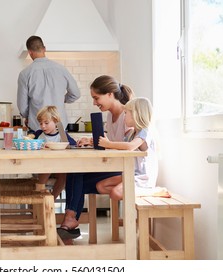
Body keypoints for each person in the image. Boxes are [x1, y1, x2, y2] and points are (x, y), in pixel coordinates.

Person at [57, 75, 134, 240]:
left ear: (110, 94)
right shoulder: (109, 116)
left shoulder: (127, 116)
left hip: (125, 169)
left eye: (96, 98)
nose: (94, 103)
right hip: (113, 166)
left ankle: (70, 221)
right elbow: (113, 142)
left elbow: (128, 148)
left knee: (76, 175)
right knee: (75, 173)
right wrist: (92, 141)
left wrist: (106, 143)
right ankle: (70, 220)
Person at [96, 97, 158, 200]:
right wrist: (101, 142)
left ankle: (151, 191)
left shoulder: (145, 132)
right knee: (100, 186)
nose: (124, 116)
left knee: (115, 193)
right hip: (131, 174)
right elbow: (120, 147)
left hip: (142, 179)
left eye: (126, 113)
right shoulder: (132, 134)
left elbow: (130, 147)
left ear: (135, 114)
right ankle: (129, 192)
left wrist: (109, 144)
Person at [17, 35, 80, 132]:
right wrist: (61, 99)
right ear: (44, 49)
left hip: (37, 127)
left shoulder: (25, 74)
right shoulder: (61, 69)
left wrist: (28, 116)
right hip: (60, 127)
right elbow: (76, 94)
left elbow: (22, 107)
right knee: (62, 146)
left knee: (39, 147)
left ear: (29, 52)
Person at [31, 106, 77, 200]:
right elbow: (31, 140)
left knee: (64, 174)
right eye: (41, 123)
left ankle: (52, 199)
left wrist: (64, 141)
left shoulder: (62, 134)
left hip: (57, 168)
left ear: (56, 121)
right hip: (41, 168)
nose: (43, 126)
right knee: (48, 166)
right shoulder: (39, 133)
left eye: (46, 123)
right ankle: (39, 193)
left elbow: (72, 144)